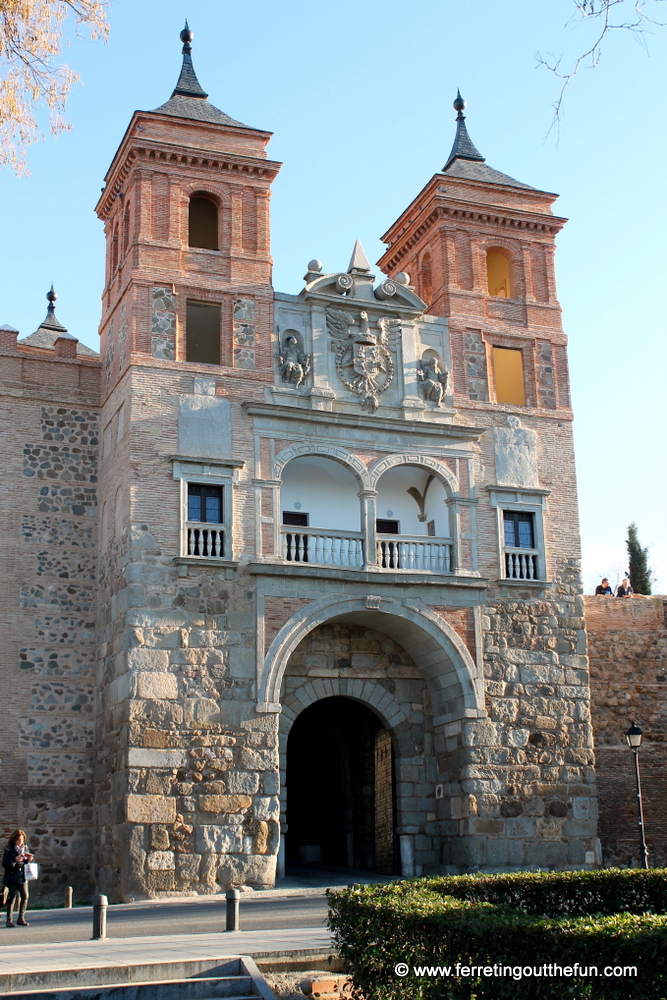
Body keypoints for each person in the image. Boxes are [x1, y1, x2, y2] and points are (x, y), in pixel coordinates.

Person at [3, 830, 34, 927]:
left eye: (22, 840)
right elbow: (4, 864)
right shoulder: (8, 849)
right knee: (12, 897)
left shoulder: (25, 848)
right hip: (11, 876)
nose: (20, 842)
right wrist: (15, 860)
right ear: (14, 840)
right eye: (18, 840)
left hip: (22, 876)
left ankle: (21, 917)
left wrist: (29, 860)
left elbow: (26, 863)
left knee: (25, 896)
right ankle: (9, 920)